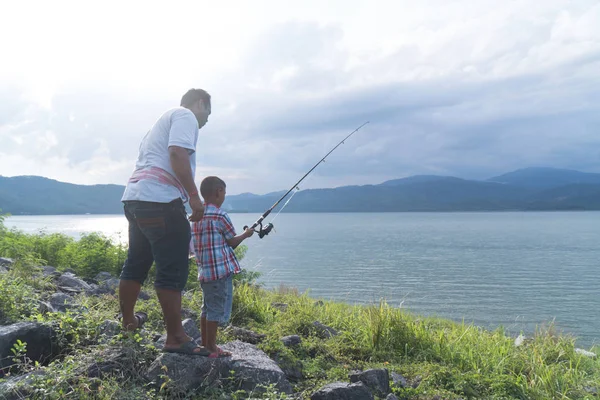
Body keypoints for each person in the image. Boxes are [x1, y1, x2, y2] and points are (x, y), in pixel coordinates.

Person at [118, 88, 211, 355]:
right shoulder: (185, 115)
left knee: (136, 263)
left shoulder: (155, 127)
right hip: (160, 201)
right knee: (172, 268)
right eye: (208, 113)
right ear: (201, 103)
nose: (205, 120)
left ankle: (128, 322)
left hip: (135, 198)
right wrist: (194, 197)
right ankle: (176, 338)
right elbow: (177, 154)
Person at [192, 176, 254, 358]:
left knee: (207, 308)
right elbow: (232, 242)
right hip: (219, 273)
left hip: (204, 272)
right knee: (216, 310)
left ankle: (205, 344)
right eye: (224, 192)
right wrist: (246, 234)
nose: (224, 196)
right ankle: (212, 348)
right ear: (219, 191)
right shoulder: (220, 215)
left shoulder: (196, 215)